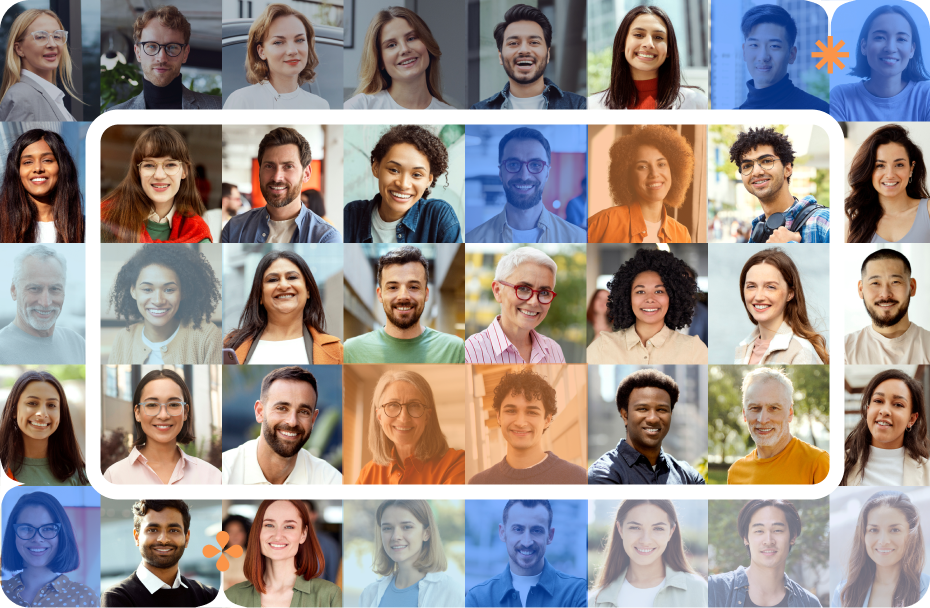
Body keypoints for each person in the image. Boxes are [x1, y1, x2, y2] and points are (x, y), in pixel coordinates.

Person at [343, 246, 465, 363]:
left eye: (413, 287)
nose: (403, 296)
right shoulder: (352, 350)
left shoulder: (454, 349)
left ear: (426, 294)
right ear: (380, 295)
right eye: (393, 287)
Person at [223, 366, 342, 485]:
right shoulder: (224, 472)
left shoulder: (331, 480)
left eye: (304, 411)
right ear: (259, 412)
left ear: (313, 419)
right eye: (281, 408)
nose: (292, 422)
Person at [465, 127, 587, 243]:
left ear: (547, 173)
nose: (524, 176)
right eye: (513, 164)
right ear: (501, 172)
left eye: (535, 165)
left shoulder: (577, 238)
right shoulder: (473, 239)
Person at [344, 124, 462, 243]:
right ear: (376, 168)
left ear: (429, 180)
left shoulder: (439, 216)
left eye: (416, 174)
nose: (403, 184)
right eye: (394, 170)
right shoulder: (351, 214)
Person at [222, 127, 342, 243]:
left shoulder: (325, 238)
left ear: (306, 173)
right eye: (269, 166)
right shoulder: (234, 228)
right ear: (259, 173)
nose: (276, 177)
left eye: (288, 166)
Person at [587, 248, 707, 364]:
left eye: (659, 291)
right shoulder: (602, 347)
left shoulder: (694, 350)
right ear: (628, 298)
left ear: (672, 298)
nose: (649, 298)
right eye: (640, 291)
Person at [223, 250, 343, 364]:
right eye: (273, 279)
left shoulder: (336, 350)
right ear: (260, 296)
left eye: (292, 277)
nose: (283, 285)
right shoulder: (231, 344)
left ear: (308, 291)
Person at [106, 244, 221, 364]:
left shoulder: (207, 336)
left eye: (169, 290)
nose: (158, 301)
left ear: (183, 292)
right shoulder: (123, 339)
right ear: (133, 291)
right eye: (147, 289)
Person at [103, 369, 221, 484]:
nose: (163, 415)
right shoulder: (113, 477)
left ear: (185, 412)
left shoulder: (212, 477)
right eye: (152, 405)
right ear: (137, 413)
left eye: (174, 404)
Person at [468, 369, 585, 484]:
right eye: (511, 411)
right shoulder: (479, 484)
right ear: (498, 416)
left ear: (547, 420)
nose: (520, 422)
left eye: (532, 412)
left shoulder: (578, 479)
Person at [588, 369, 704, 485]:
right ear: (625, 415)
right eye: (642, 409)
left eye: (662, 409)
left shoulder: (689, 477)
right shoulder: (603, 474)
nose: (653, 418)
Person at [465, 500, 586, 608]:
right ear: (502, 533)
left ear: (550, 536)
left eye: (536, 530)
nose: (527, 542)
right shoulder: (478, 599)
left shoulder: (576, 593)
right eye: (518, 529)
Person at [101, 126, 212, 243]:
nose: (159, 175)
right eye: (149, 165)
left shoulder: (198, 233)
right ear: (138, 171)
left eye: (170, 165)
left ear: (184, 171)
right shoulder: (106, 220)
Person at [100, 499, 218, 608]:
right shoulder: (118, 597)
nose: (163, 539)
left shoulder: (209, 596)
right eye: (152, 530)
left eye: (173, 530)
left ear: (186, 538)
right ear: (137, 537)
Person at [589, 500, 707, 608]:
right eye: (635, 527)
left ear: (671, 532)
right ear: (620, 529)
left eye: (658, 529)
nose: (645, 541)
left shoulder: (698, 590)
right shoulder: (595, 602)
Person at [588, 125, 695, 243]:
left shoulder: (681, 234)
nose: (654, 174)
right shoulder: (604, 223)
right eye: (642, 167)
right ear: (628, 175)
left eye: (661, 164)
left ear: (673, 170)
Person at [225, 500, 341, 608]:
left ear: (303, 534)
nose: (278, 536)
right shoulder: (231, 597)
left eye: (289, 526)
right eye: (269, 525)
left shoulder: (329, 595)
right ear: (258, 532)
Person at [356, 369, 465, 484]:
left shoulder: (456, 464)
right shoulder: (367, 474)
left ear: (427, 416)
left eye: (414, 405)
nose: (403, 418)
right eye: (393, 404)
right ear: (379, 416)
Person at [708, 499, 821, 608]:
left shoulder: (809, 603)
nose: (768, 540)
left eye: (777, 530)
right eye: (759, 531)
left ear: (793, 536)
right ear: (745, 538)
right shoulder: (713, 590)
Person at [589, 5, 706, 110]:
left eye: (659, 37)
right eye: (639, 35)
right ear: (622, 44)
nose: (649, 44)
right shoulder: (592, 107)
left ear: (669, 50)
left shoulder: (696, 104)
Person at [105, 6, 222, 110]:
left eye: (172, 47)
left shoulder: (218, 109)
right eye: (151, 46)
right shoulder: (113, 118)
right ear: (138, 53)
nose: (161, 58)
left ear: (185, 54)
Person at [471, 4, 585, 109]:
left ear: (548, 55)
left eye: (534, 42)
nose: (524, 50)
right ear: (500, 56)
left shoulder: (579, 107)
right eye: (513, 43)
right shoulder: (478, 113)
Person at [727, 367, 829, 485]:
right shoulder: (735, 473)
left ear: (790, 413)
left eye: (774, 408)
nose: (763, 420)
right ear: (744, 414)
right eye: (755, 408)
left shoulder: (818, 463)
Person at [729, 127, 830, 243]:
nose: (756, 172)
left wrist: (790, 247)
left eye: (766, 161)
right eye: (747, 166)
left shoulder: (823, 222)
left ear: (787, 169)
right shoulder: (756, 234)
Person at [830, 5, 930, 122]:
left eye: (901, 39)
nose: (890, 48)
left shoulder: (926, 95)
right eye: (880, 37)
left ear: (912, 50)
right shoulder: (841, 98)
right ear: (864, 46)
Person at [831, 491, 930, 608]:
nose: (883, 541)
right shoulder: (843, 594)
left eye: (895, 530)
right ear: (863, 535)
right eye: (873, 530)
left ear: (911, 534)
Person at [465, 247, 565, 363]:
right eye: (523, 289)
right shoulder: (470, 353)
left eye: (544, 293)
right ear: (497, 291)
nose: (534, 302)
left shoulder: (554, 351)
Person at [1, 491, 99, 607]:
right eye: (26, 528)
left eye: (47, 529)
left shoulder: (85, 598)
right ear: (13, 535)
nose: (37, 539)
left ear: (62, 535)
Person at [346, 7, 455, 110]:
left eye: (411, 38)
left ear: (427, 45)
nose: (404, 49)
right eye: (391, 45)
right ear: (380, 61)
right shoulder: (359, 107)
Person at [360, 499, 464, 607]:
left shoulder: (451, 593)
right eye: (387, 528)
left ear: (426, 533)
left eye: (407, 527)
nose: (395, 536)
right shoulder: (369, 594)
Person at [224, 3, 329, 110]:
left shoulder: (320, 106)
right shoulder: (243, 101)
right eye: (278, 42)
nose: (292, 51)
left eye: (299, 40)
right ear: (261, 52)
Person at [735, 248, 828, 364]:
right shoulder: (744, 348)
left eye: (770, 287)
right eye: (751, 286)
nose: (758, 296)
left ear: (790, 293)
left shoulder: (801, 352)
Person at [841, 369, 930, 486]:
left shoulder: (927, 472)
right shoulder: (836, 464)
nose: (884, 411)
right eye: (878, 401)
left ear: (911, 419)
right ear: (868, 410)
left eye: (898, 404)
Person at [0, 370, 88, 486]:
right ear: (14, 410)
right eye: (32, 403)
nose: (42, 413)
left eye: (51, 405)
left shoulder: (79, 477)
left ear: (61, 414)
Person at [0, 245, 84, 364]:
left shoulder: (77, 343)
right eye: (34, 288)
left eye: (55, 289)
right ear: (14, 290)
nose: (46, 302)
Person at [846, 124, 930, 243]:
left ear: (911, 168)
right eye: (880, 166)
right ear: (869, 171)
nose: (890, 175)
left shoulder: (928, 211)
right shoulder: (853, 227)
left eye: (899, 165)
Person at [736, 4, 829, 111]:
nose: (763, 57)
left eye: (774, 46)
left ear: (792, 54)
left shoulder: (819, 111)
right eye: (754, 45)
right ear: (744, 52)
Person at [845, 248, 930, 364]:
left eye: (895, 282)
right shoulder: (844, 350)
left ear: (912, 287)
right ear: (861, 290)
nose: (885, 294)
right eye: (875, 283)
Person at [0, 129, 85, 243]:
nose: (38, 168)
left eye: (47, 160)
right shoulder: (3, 226)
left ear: (62, 167)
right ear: (17, 171)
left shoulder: (88, 229)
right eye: (28, 162)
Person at [0, 9, 81, 121]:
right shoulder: (22, 97)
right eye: (41, 37)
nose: (52, 44)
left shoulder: (50, 96)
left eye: (57, 36)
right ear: (19, 49)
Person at [222, 514, 252, 589]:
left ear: (246, 533)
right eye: (230, 531)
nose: (235, 535)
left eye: (239, 531)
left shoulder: (255, 557)